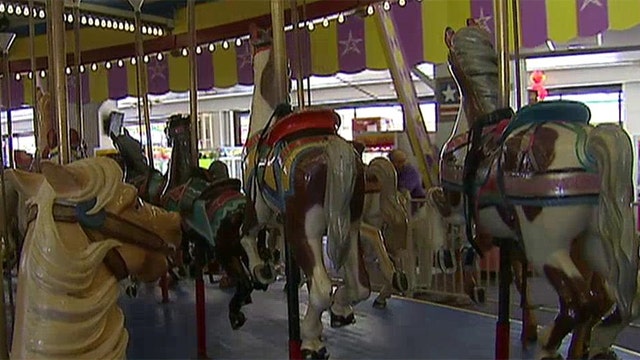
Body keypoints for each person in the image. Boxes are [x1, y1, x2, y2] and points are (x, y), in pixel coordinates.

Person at [388, 149, 426, 214]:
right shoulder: (391, 172)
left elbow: (403, 191)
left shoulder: (410, 171)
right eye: (399, 162)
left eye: (404, 161)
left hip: (417, 207)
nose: (403, 164)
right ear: (392, 163)